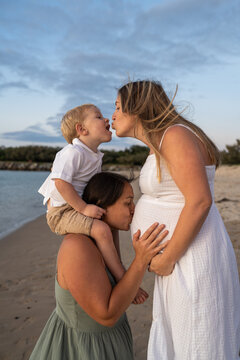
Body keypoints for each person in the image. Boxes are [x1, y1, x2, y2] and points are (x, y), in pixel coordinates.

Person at [112, 80, 240, 359]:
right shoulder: (161, 141)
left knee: (197, 340)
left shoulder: (174, 135)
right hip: (181, 256)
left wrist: (168, 257)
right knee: (181, 339)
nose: (113, 115)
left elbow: (200, 200)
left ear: (138, 107)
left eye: (119, 107)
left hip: (190, 258)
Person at [30, 172, 169, 360]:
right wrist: (140, 260)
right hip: (81, 349)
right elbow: (107, 315)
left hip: (110, 342)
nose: (133, 209)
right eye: (127, 202)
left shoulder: (108, 237)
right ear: (101, 205)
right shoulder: (77, 247)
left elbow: (121, 287)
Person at [38, 104, 146, 303]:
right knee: (101, 230)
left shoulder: (93, 155)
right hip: (61, 212)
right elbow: (60, 183)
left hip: (75, 206)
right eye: (98, 117)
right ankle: (122, 277)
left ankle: (114, 264)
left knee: (109, 223)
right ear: (81, 130)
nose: (107, 120)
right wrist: (84, 208)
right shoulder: (72, 152)